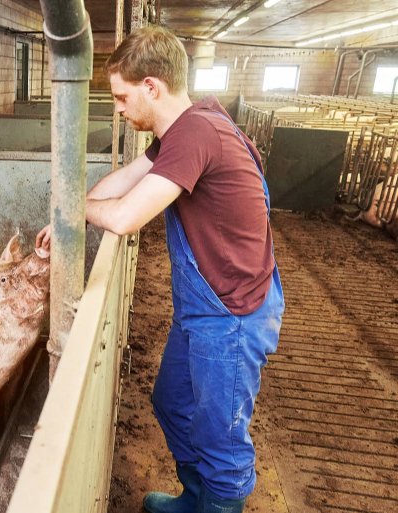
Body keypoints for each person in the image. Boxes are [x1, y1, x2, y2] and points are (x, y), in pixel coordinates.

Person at [36, 25, 284, 513]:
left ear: (152, 86)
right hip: (205, 305)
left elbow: (126, 217)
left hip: (232, 314)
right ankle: (195, 499)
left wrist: (74, 213)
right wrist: (70, 209)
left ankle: (216, 504)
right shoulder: (190, 125)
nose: (121, 109)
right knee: (171, 404)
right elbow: (125, 182)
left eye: (123, 98)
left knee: (223, 443)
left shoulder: (194, 133)